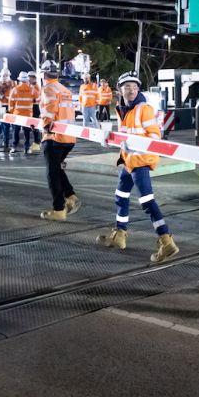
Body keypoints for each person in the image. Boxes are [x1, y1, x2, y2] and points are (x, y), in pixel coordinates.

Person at [96, 71, 179, 263]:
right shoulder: (122, 108)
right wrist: (110, 139)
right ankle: (120, 234)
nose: (131, 90)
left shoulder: (144, 108)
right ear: (120, 90)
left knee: (147, 202)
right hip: (128, 161)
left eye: (134, 87)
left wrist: (134, 144)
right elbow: (124, 134)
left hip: (140, 161)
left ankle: (166, 240)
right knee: (121, 195)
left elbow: (155, 136)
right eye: (127, 87)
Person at [38, 60, 80, 220]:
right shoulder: (65, 89)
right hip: (69, 137)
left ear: (43, 74)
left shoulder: (48, 88)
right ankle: (70, 196)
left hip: (54, 137)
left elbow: (49, 109)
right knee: (57, 169)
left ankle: (58, 209)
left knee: (52, 173)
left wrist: (46, 126)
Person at [9, 71, 38, 154]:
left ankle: (14, 147)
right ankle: (26, 148)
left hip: (17, 114)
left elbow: (10, 102)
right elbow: (38, 99)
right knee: (26, 132)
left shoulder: (15, 89)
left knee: (16, 131)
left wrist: (12, 112)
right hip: (28, 114)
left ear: (19, 80)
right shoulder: (32, 89)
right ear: (27, 80)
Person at [0, 69, 14, 153]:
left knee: (5, 127)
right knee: (1, 126)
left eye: (5, 75)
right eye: (3, 75)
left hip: (5, 108)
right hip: (2, 107)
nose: (4, 77)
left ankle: (3, 145)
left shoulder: (10, 85)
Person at [28, 71, 42, 151]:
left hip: (35, 107)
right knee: (33, 126)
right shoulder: (32, 86)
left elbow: (35, 98)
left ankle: (37, 142)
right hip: (32, 107)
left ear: (34, 78)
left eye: (30, 78)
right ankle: (37, 142)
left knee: (34, 126)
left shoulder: (35, 87)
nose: (28, 80)